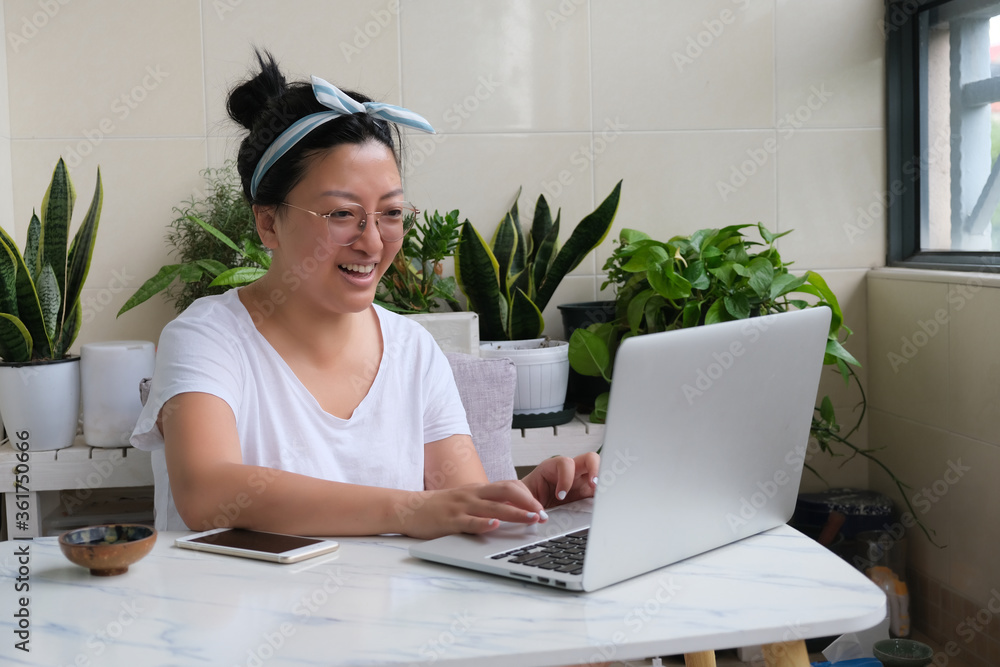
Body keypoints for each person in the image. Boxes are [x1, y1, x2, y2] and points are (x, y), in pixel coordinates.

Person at [131, 51, 600, 540]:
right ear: (268, 223)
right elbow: (206, 492)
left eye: (391, 213)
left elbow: (462, 507)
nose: (372, 242)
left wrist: (527, 503)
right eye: (341, 214)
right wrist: (411, 510)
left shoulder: (414, 352)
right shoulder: (208, 338)